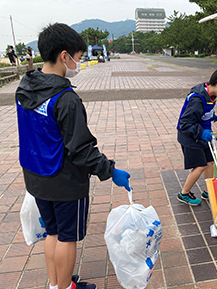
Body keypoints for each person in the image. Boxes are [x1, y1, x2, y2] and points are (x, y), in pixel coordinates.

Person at [15, 23, 131, 289]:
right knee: (67, 237)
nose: (78, 63)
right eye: (78, 58)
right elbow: (80, 150)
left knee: (52, 232)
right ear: (64, 56)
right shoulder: (65, 99)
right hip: (64, 180)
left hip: (35, 175)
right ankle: (66, 287)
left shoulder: (24, 89)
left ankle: (57, 284)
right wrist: (110, 170)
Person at [176, 67, 217, 206]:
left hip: (202, 135)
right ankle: (184, 193)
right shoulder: (198, 99)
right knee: (200, 165)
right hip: (191, 137)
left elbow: (202, 112)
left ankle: (208, 191)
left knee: (210, 162)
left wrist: (210, 116)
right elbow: (185, 123)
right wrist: (202, 132)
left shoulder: (211, 93)